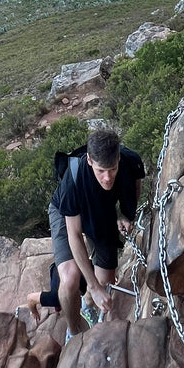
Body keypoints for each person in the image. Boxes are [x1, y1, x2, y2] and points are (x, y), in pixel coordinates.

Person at [48, 126, 145, 341]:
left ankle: (87, 306)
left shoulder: (131, 163)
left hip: (102, 212)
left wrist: (123, 215)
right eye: (101, 171)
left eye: (112, 169)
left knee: (105, 281)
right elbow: (74, 235)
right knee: (71, 277)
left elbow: (133, 192)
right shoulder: (74, 179)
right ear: (90, 160)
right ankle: (73, 332)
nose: (108, 178)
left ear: (119, 158)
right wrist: (92, 285)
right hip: (67, 211)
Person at [24, 261, 86, 325]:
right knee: (59, 299)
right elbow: (30, 298)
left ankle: (60, 305)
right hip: (60, 269)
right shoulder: (57, 297)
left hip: (64, 265)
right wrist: (34, 312)